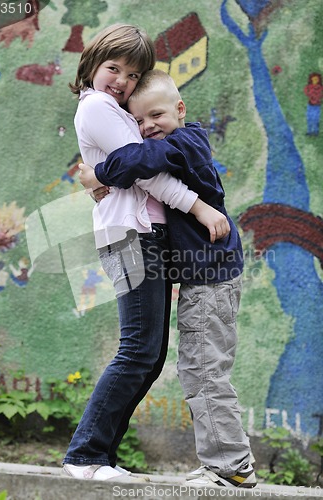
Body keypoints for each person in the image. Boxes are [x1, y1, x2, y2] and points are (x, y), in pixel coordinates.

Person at [62, 24, 229, 483]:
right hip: (132, 234)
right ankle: (85, 457)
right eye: (113, 68)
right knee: (139, 350)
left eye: (133, 75)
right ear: (92, 64)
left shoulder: (112, 109)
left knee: (149, 354)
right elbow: (145, 171)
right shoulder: (98, 106)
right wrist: (199, 207)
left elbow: (125, 166)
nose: (121, 81)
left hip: (141, 232)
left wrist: (97, 176)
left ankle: (100, 455)